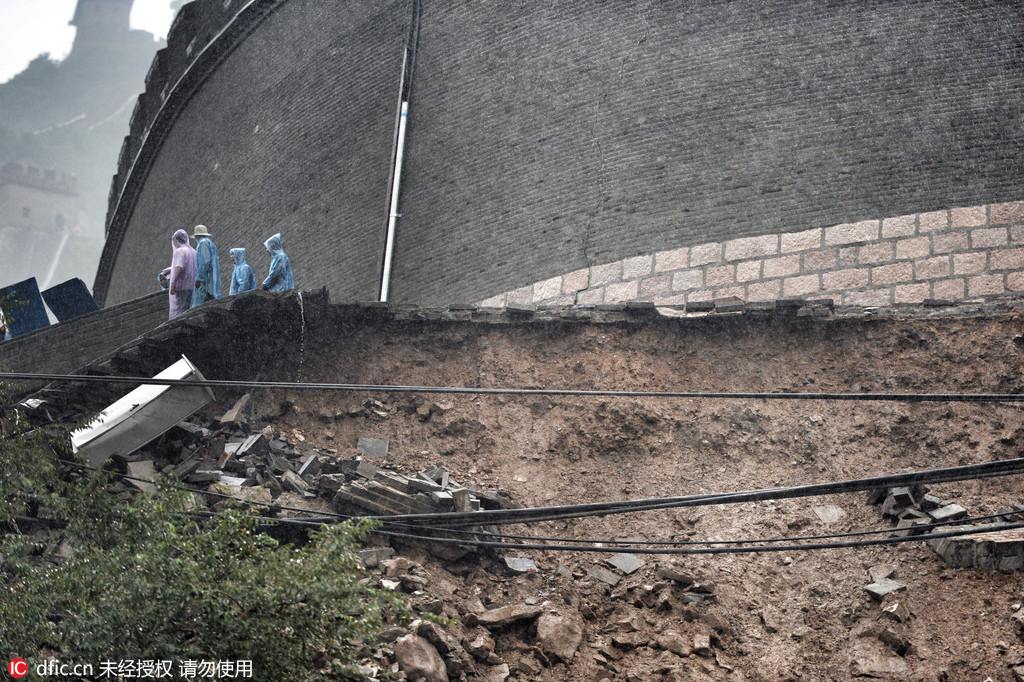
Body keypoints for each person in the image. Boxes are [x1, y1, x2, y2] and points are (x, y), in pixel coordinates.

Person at [159, 229, 196, 319]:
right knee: (189, 309)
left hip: (181, 287)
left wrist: (172, 284)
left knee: (180, 312)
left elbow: (179, 267)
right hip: (192, 286)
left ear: (177, 240)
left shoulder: (179, 251)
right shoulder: (194, 252)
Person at [191, 224, 221, 308]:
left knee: (201, 303)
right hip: (211, 278)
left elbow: (205, 262)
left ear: (197, 236)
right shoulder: (210, 243)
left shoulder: (202, 243)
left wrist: (199, 278)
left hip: (205, 280)